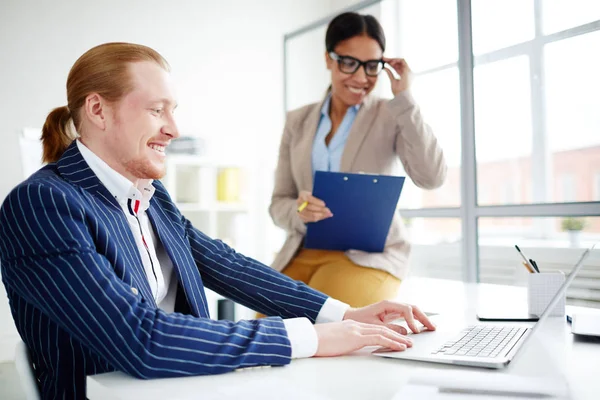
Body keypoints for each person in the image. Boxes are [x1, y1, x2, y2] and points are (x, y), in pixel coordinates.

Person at [0, 42, 435, 400]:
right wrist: (310, 340)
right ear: (97, 110)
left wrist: (342, 314)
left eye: (173, 111)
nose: (173, 129)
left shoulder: (149, 195)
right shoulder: (43, 204)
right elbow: (140, 340)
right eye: (157, 111)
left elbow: (227, 265)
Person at [269, 12, 447, 308]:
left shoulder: (392, 113)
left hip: (369, 256)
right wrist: (300, 211)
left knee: (326, 323)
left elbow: (432, 177)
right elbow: (278, 204)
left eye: (372, 66)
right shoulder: (297, 121)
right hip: (301, 250)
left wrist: (405, 98)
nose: (362, 78)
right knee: (266, 331)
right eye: (349, 63)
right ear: (329, 59)